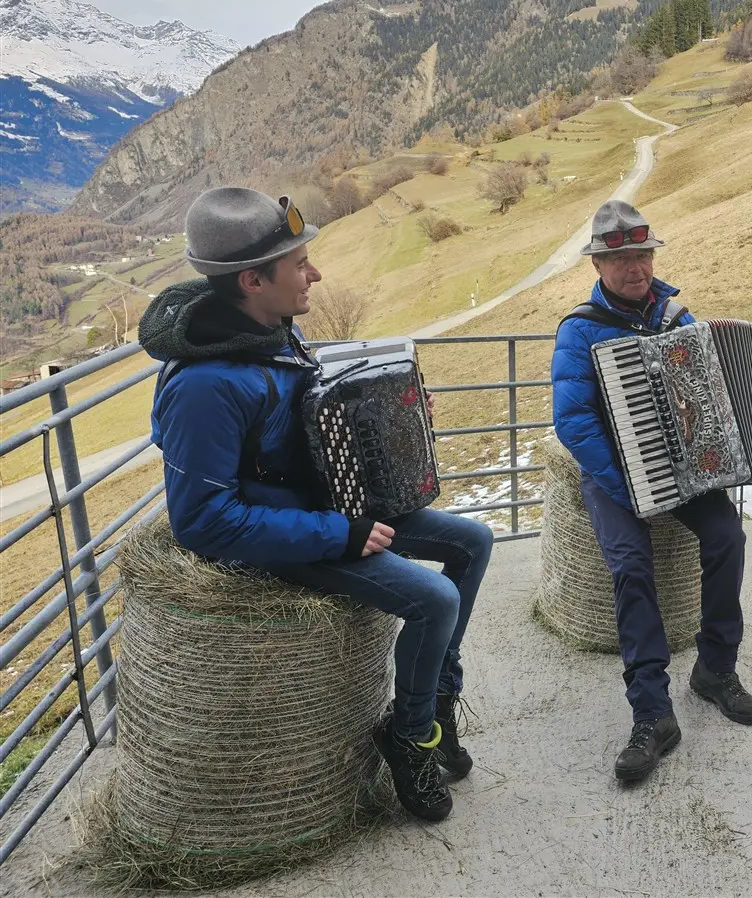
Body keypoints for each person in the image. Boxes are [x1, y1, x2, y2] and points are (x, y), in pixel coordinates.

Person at [138, 187, 493, 822]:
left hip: (320, 504)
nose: (315, 274)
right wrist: (340, 534)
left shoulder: (268, 331)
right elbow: (202, 522)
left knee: (474, 541)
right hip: (286, 531)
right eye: (299, 264)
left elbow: (304, 417)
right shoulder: (204, 387)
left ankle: (435, 694)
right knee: (434, 599)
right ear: (252, 279)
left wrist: (394, 423)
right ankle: (410, 737)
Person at [550, 199, 752, 782]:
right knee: (632, 564)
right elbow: (574, 422)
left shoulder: (677, 318)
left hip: (681, 470)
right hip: (613, 475)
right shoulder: (580, 330)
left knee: (727, 536)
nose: (635, 268)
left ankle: (715, 669)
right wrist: (629, 483)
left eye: (643, 255)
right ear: (599, 269)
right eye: (622, 259)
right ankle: (652, 713)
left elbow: (711, 396)